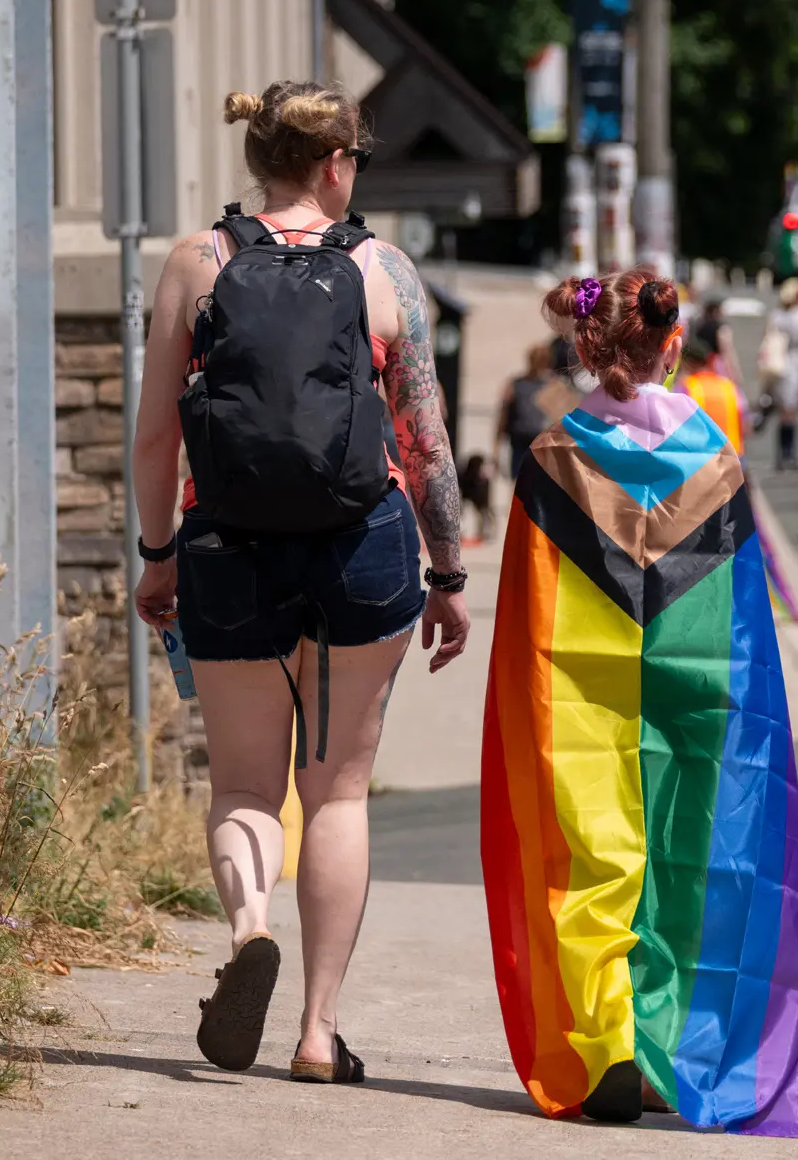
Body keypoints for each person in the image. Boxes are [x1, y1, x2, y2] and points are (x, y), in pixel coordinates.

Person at [131, 79, 470, 1083]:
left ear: (257, 157)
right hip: (360, 546)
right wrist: (447, 572)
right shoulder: (383, 270)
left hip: (226, 546)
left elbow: (156, 432)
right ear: (337, 165)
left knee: (242, 782)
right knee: (338, 793)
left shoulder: (197, 261)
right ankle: (319, 1032)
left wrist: (158, 556)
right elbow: (426, 440)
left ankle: (246, 932)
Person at [481, 269, 798, 1133]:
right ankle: (672, 1048)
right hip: (697, 693)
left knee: (588, 847)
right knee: (689, 847)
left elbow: (526, 619)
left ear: (586, 348)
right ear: (674, 345)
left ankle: (604, 1046)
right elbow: (743, 628)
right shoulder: (713, 456)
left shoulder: (555, 457)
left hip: (576, 699)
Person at [496, 343, 576, 478]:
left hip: (546, 444)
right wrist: (496, 449)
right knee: (520, 484)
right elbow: (503, 417)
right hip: (521, 442)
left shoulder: (555, 385)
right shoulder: (516, 384)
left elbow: (569, 417)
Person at [766, 277, 798, 470]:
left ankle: (783, 454)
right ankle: (789, 453)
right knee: (791, 409)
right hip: (793, 361)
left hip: (778, 361)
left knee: (784, 409)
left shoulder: (776, 315)